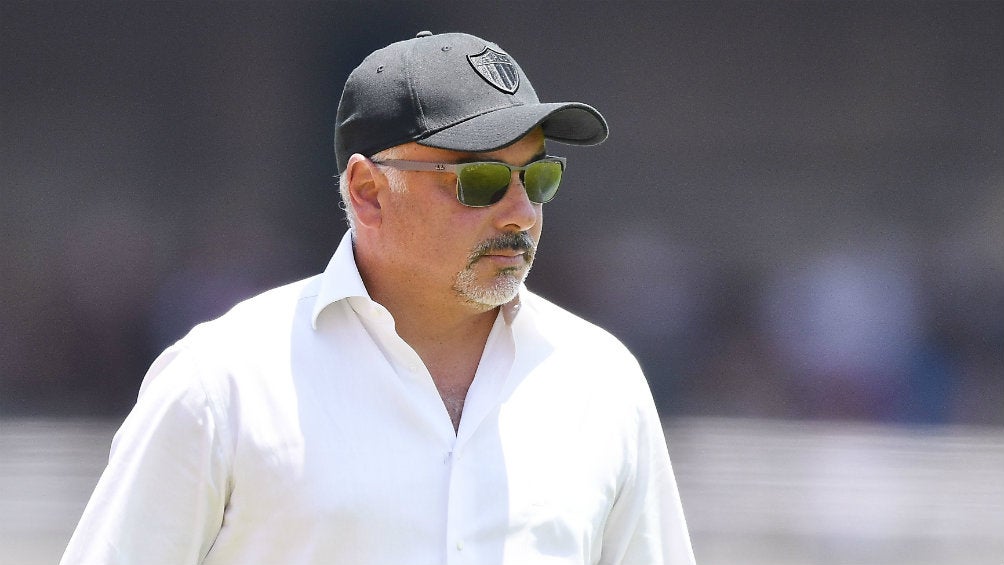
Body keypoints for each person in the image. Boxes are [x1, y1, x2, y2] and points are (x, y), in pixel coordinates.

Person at [60, 31, 696, 565]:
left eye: (539, 178)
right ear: (367, 191)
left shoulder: (602, 381)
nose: (522, 212)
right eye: (479, 180)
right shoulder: (221, 384)